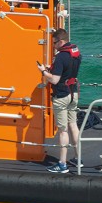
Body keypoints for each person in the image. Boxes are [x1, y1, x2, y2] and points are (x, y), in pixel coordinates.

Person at [39, 28, 82, 173]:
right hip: (73, 94)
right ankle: (78, 159)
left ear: (61, 41)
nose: (54, 46)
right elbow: (66, 72)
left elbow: (56, 80)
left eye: (55, 43)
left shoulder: (61, 57)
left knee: (63, 131)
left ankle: (62, 164)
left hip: (62, 96)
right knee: (73, 126)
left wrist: (44, 72)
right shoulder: (76, 53)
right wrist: (52, 68)